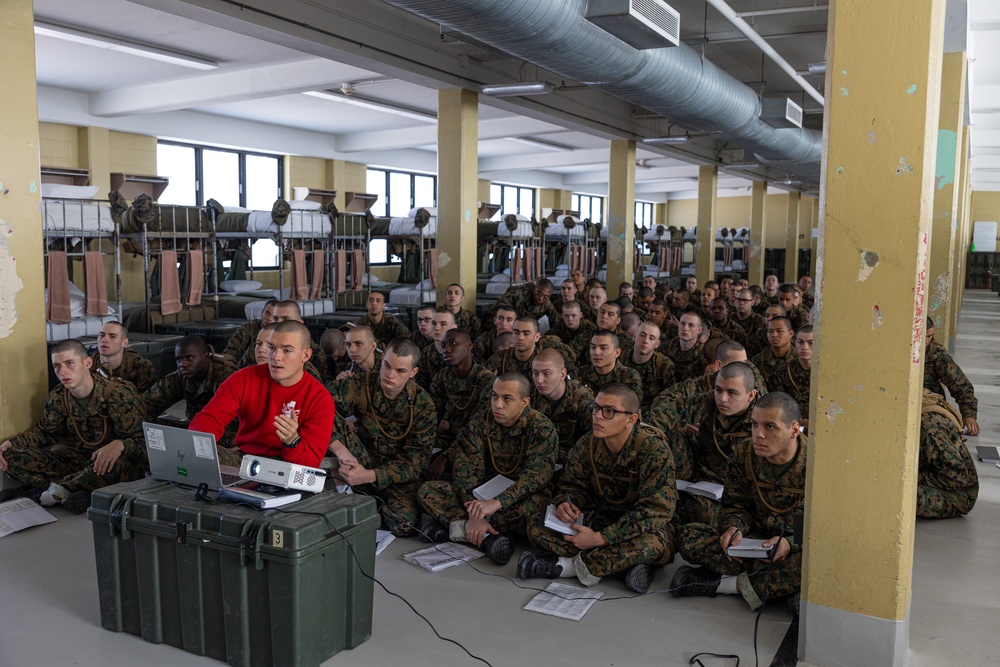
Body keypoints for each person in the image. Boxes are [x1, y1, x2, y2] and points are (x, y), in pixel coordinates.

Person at [518, 384, 676, 594]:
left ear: (631, 420)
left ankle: (566, 567)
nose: (598, 416)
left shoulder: (654, 451)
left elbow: (656, 511)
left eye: (609, 411)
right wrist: (566, 503)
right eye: (596, 408)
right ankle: (623, 568)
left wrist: (601, 538)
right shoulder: (588, 443)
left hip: (640, 527)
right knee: (536, 525)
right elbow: (572, 485)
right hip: (600, 518)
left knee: (655, 543)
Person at [671, 391, 805, 612]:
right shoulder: (744, 452)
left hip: (791, 548)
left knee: (815, 564)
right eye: (754, 425)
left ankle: (723, 584)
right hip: (756, 542)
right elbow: (736, 504)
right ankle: (781, 587)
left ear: (793, 429)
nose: (758, 435)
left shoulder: (816, 464)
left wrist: (790, 543)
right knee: (688, 536)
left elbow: (820, 527)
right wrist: (734, 528)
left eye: (770, 427)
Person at [417, 372, 558, 565]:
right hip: (482, 496)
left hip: (516, 498)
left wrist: (497, 503)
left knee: (536, 508)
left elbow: (536, 478)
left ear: (524, 402)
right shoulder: (480, 423)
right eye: (494, 396)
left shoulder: (541, 428)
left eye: (507, 398)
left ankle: (458, 528)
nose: (498, 405)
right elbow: (464, 472)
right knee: (428, 491)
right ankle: (487, 538)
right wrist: (476, 513)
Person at [0, 340, 146, 514]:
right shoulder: (58, 397)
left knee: (110, 465)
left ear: (87, 363)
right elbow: (45, 433)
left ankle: (55, 493)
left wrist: (120, 444)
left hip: (110, 464)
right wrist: (12, 443)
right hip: (76, 462)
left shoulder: (118, 395)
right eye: (56, 366)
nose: (62, 372)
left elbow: (142, 442)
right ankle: (76, 491)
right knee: (9, 456)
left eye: (69, 363)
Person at [328, 338, 437, 536]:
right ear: (381, 358)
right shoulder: (361, 384)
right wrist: (340, 449)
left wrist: (369, 476)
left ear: (413, 373)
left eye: (400, 371)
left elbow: (414, 464)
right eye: (387, 365)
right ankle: (360, 496)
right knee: (325, 413)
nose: (389, 375)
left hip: (395, 474)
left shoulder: (423, 406)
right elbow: (318, 402)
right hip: (359, 456)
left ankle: (365, 500)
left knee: (404, 524)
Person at [189, 320, 335, 468]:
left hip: (287, 466)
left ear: (306, 355)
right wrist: (197, 444)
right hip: (246, 460)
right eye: (272, 347)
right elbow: (210, 417)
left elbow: (309, 463)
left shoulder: (320, 399)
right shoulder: (244, 378)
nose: (276, 356)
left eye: (287, 350)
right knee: (203, 453)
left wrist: (292, 441)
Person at [672, 362, 758, 526]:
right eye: (718, 390)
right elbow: (667, 408)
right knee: (669, 432)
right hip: (702, 479)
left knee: (703, 515)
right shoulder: (709, 402)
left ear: (751, 396)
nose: (722, 399)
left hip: (737, 491)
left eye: (732, 393)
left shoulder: (762, 419)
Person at [428, 329, 496, 479]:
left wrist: (445, 457)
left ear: (469, 345)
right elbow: (431, 415)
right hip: (448, 437)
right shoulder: (442, 378)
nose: (446, 349)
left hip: (476, 441)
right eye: (443, 345)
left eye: (453, 344)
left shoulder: (486, 380)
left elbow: (477, 428)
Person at [143, 335, 237, 424]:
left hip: (226, 428)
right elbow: (148, 402)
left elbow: (229, 417)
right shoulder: (181, 375)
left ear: (205, 357)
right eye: (179, 359)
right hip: (197, 425)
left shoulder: (225, 374)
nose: (183, 364)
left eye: (189, 358)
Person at [917, 393, 978, 519]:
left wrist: (909, 476)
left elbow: (957, 477)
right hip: (934, 477)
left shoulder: (930, 429)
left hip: (957, 495)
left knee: (895, 493)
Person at [530, 348, 594, 462]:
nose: (539, 380)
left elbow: (592, 440)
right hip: (538, 457)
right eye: (535, 373)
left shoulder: (581, 398)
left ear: (562, 374)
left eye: (546, 374)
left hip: (573, 460)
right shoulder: (530, 396)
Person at [924, 318, 979, 435]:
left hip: (930, 407)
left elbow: (961, 386)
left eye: (929, 336)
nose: (926, 341)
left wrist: (969, 416)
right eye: (923, 336)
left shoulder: (937, 355)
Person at [90, 321, 157, 393]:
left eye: (112, 336)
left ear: (124, 342)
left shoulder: (141, 367)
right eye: (101, 335)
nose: (104, 340)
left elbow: (147, 400)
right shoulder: (88, 364)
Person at [576, 331, 644, 403]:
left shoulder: (628, 376)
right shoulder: (580, 373)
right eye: (593, 347)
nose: (596, 352)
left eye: (603, 348)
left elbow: (630, 405)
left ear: (617, 352)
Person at [622, 321, 675, 413]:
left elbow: (669, 399)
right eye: (642, 335)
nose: (646, 341)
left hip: (650, 414)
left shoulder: (664, 365)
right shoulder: (620, 359)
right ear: (634, 337)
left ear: (657, 344)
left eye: (651, 338)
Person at [271, 300, 329, 381]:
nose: (279, 323)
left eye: (286, 319)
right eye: (275, 318)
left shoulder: (316, 353)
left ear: (300, 322)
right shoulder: (262, 343)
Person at [781, 326, 813, 431]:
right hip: (790, 427)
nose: (805, 347)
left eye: (811, 343)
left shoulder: (827, 374)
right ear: (794, 343)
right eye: (800, 342)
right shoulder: (783, 372)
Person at [753, 316, 794, 393]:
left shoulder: (799, 360)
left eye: (779, 331)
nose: (774, 335)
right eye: (770, 331)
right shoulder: (758, 360)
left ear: (791, 333)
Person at [664, 312, 706, 382]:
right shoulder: (667, 346)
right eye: (682, 324)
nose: (685, 328)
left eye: (691, 325)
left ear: (699, 330)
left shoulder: (703, 353)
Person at [732, 288, 766, 357]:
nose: (741, 303)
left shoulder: (759, 320)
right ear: (735, 301)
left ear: (752, 302)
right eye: (738, 300)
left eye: (745, 300)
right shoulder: (729, 318)